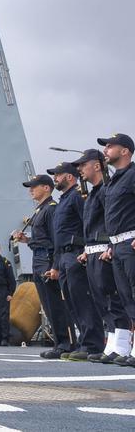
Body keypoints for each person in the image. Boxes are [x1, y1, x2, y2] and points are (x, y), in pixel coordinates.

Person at [75, 148, 133, 363]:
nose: (80, 169)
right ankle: (113, 344)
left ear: (97, 166)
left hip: (106, 251)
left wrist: (109, 245)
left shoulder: (106, 190)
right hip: (93, 252)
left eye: (83, 164)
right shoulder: (92, 193)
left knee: (115, 299)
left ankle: (123, 345)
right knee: (103, 302)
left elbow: (112, 222)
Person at [47, 161, 104, 360]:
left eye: (58, 174)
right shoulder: (63, 200)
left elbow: (88, 223)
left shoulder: (77, 197)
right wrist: (55, 265)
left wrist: (87, 250)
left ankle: (93, 344)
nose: (55, 178)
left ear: (69, 177)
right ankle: (83, 342)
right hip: (63, 256)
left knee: (83, 300)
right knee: (72, 301)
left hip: (76, 253)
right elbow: (58, 235)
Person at [13, 174, 72, 359]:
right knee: (47, 305)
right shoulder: (40, 210)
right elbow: (42, 239)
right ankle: (59, 343)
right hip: (38, 259)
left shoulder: (51, 209)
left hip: (47, 260)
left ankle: (66, 344)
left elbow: (56, 241)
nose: (31, 190)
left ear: (46, 188)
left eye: (34, 186)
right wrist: (27, 240)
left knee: (55, 304)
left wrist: (55, 266)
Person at [99, 133, 135, 365]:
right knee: (125, 297)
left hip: (132, 242)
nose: (106, 150)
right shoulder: (114, 181)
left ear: (125, 151)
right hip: (118, 245)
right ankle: (126, 348)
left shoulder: (133, 175)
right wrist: (111, 244)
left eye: (110, 146)